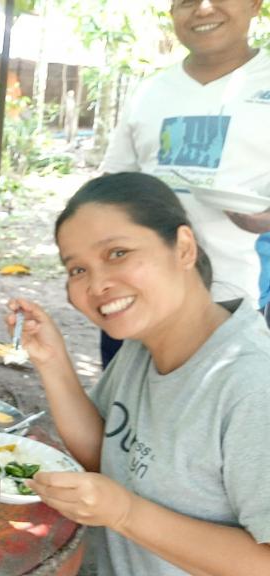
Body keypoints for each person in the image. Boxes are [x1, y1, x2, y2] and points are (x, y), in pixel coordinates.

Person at [9, 173, 270, 576]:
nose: (97, 284)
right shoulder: (143, 344)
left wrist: (125, 513)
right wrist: (52, 361)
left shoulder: (251, 384)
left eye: (118, 253)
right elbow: (107, 456)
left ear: (184, 248)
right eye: (77, 269)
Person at [98, 0, 270, 364]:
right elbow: (114, 186)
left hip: (236, 302)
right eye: (186, 1)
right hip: (137, 295)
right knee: (122, 398)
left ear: (255, 4)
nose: (203, 9)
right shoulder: (150, 91)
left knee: (222, 399)